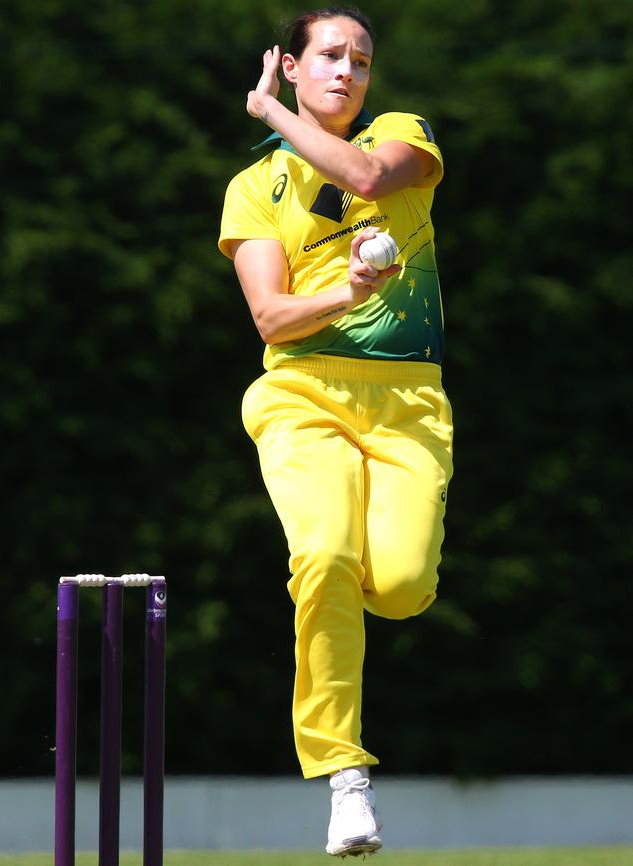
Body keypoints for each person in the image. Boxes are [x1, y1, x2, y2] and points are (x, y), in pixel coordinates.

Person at [218, 5, 453, 857]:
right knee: (321, 556)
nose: (346, 71)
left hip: (408, 402)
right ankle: (343, 774)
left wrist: (270, 111)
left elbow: (364, 178)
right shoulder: (252, 188)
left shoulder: (402, 134)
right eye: (328, 55)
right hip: (301, 396)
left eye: (359, 59)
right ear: (292, 63)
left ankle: (350, 593)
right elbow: (272, 318)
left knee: (393, 586)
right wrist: (346, 298)